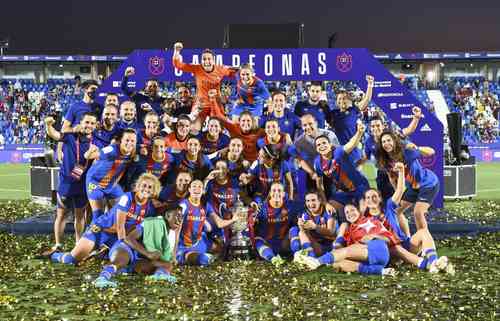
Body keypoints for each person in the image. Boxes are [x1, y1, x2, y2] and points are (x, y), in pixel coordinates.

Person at [50, 174, 161, 266]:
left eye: (150, 187)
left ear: (154, 191)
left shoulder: (150, 209)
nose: (146, 189)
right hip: (101, 230)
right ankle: (56, 255)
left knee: (122, 263)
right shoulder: (126, 198)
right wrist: (146, 253)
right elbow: (120, 228)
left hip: (117, 237)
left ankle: (105, 252)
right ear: (137, 186)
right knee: (71, 260)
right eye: (144, 185)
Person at [363, 162, 451, 274]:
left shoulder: (388, 206)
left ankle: (435, 262)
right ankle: (428, 264)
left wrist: (400, 172)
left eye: (374, 196)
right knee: (395, 248)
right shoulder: (366, 219)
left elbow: (400, 190)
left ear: (380, 199)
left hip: (405, 245)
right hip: (391, 251)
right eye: (368, 198)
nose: (372, 199)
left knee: (423, 232)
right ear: (365, 201)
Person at [43, 112, 97, 254]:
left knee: (80, 217)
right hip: (66, 184)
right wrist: (48, 125)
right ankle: (58, 244)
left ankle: (78, 244)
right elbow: (54, 134)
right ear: (81, 122)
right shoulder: (70, 136)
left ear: (96, 125)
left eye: (92, 123)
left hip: (83, 186)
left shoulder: (96, 142)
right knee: (61, 215)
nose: (89, 126)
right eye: (87, 122)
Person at [296, 202, 397, 276]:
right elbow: (338, 245)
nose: (350, 213)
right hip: (367, 258)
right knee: (338, 264)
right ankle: (381, 271)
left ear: (359, 211)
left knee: (346, 251)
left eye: (352, 210)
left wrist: (374, 236)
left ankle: (316, 262)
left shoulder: (371, 220)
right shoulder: (349, 231)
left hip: (377, 248)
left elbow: (389, 238)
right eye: (347, 212)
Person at [376, 130, 439, 233]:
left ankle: (424, 241)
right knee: (396, 211)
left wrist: (417, 148)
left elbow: (431, 151)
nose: (386, 144)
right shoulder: (386, 160)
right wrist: (398, 195)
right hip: (413, 188)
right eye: (383, 142)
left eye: (389, 140)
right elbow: (392, 178)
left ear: (394, 141)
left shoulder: (406, 152)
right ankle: (407, 238)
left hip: (428, 183)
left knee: (418, 213)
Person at [363, 107, 422, 202]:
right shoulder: (368, 141)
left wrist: (416, 117)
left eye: (378, 125)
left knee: (402, 198)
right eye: (373, 126)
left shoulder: (391, 135)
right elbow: (366, 157)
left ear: (383, 126)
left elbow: (408, 131)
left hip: (397, 170)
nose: (375, 128)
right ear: (370, 128)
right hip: (383, 172)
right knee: (385, 200)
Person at [174, 180, 238, 266]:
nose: (197, 188)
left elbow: (219, 223)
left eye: (199, 186)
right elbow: (176, 231)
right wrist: (173, 254)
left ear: (203, 190)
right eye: (194, 186)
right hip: (184, 246)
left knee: (223, 249)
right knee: (201, 259)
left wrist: (233, 220)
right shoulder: (184, 205)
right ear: (189, 189)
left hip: (200, 242)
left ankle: (208, 256)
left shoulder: (205, 205)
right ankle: (202, 257)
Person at [172, 42, 238, 120]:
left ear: (214, 61)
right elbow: (178, 65)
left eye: (209, 59)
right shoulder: (196, 68)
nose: (206, 61)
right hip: (200, 104)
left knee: (218, 125)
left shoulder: (221, 69)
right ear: (201, 61)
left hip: (216, 103)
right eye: (204, 59)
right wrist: (176, 51)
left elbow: (238, 73)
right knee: (194, 127)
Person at [313, 122, 369, 209]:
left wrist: (359, 132)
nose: (322, 146)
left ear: (330, 145)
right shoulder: (317, 163)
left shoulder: (338, 152)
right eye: (318, 145)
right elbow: (319, 185)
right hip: (345, 192)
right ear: (316, 149)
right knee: (331, 204)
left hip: (360, 187)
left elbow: (351, 144)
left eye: (324, 143)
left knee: (362, 212)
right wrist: (326, 204)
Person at [85, 128, 137, 221]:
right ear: (121, 141)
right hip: (95, 183)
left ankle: (112, 233)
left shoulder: (133, 153)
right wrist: (91, 150)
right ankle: (89, 235)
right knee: (98, 216)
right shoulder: (111, 150)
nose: (130, 143)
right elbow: (87, 156)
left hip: (111, 185)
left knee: (125, 211)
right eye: (127, 140)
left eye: (132, 141)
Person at [251, 182, 299, 267]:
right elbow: (252, 225)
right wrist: (253, 219)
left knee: (295, 229)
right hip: (267, 243)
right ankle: (272, 258)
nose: (276, 193)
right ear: (270, 193)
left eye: (279, 190)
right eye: (274, 190)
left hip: (284, 243)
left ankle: (298, 255)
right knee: (257, 239)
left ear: (284, 194)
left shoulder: (291, 206)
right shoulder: (261, 207)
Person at [289, 190, 337, 259]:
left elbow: (331, 232)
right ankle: (298, 253)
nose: (311, 204)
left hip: (324, 247)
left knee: (301, 233)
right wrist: (301, 226)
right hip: (311, 243)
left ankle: (308, 256)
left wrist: (315, 227)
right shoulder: (304, 213)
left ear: (320, 200)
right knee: (294, 230)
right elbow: (302, 231)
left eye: (313, 200)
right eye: (308, 201)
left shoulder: (328, 211)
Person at [330, 75, 374, 144]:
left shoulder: (353, 110)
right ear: (336, 101)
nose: (342, 100)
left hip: (353, 147)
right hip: (339, 149)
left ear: (348, 100)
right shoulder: (333, 113)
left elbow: (367, 100)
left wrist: (370, 84)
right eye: (339, 99)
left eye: (344, 98)